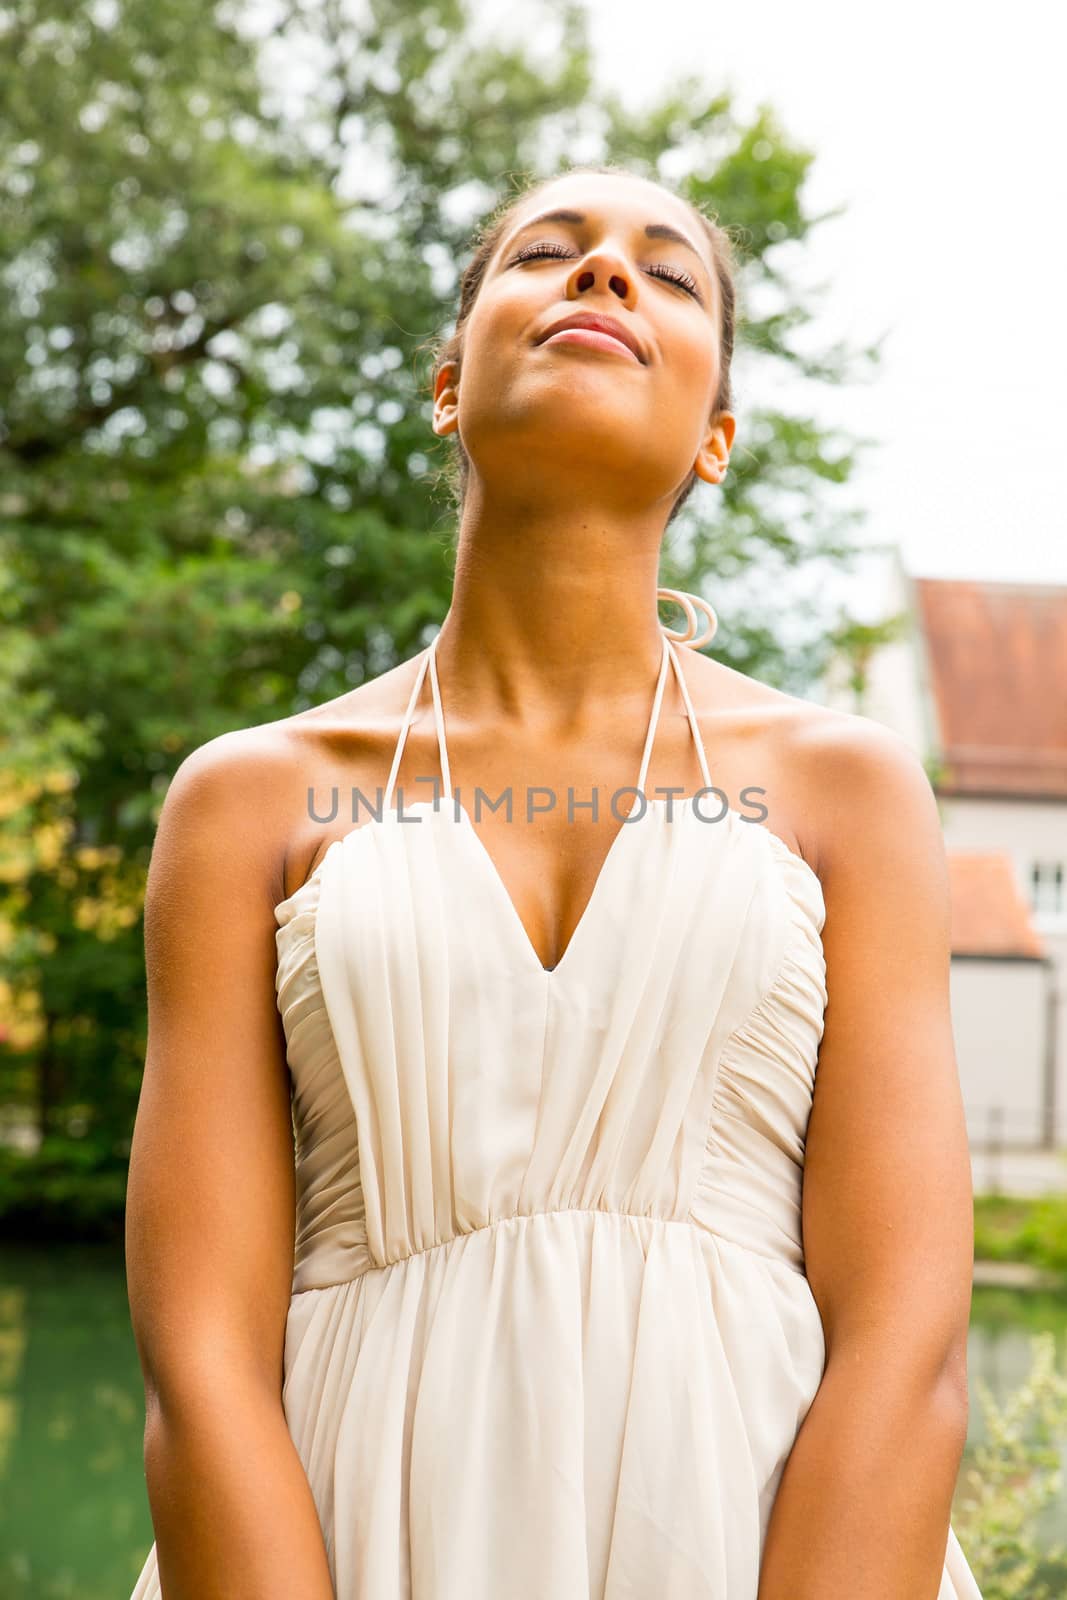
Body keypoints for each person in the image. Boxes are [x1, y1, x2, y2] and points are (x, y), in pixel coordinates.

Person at [125, 163, 986, 1598]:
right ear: (450, 386)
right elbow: (200, 1356)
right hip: (349, 1532)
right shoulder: (246, 800)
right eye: (547, 252)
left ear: (715, 438)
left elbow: (907, 1341)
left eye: (666, 270)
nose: (603, 274)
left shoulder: (852, 790)